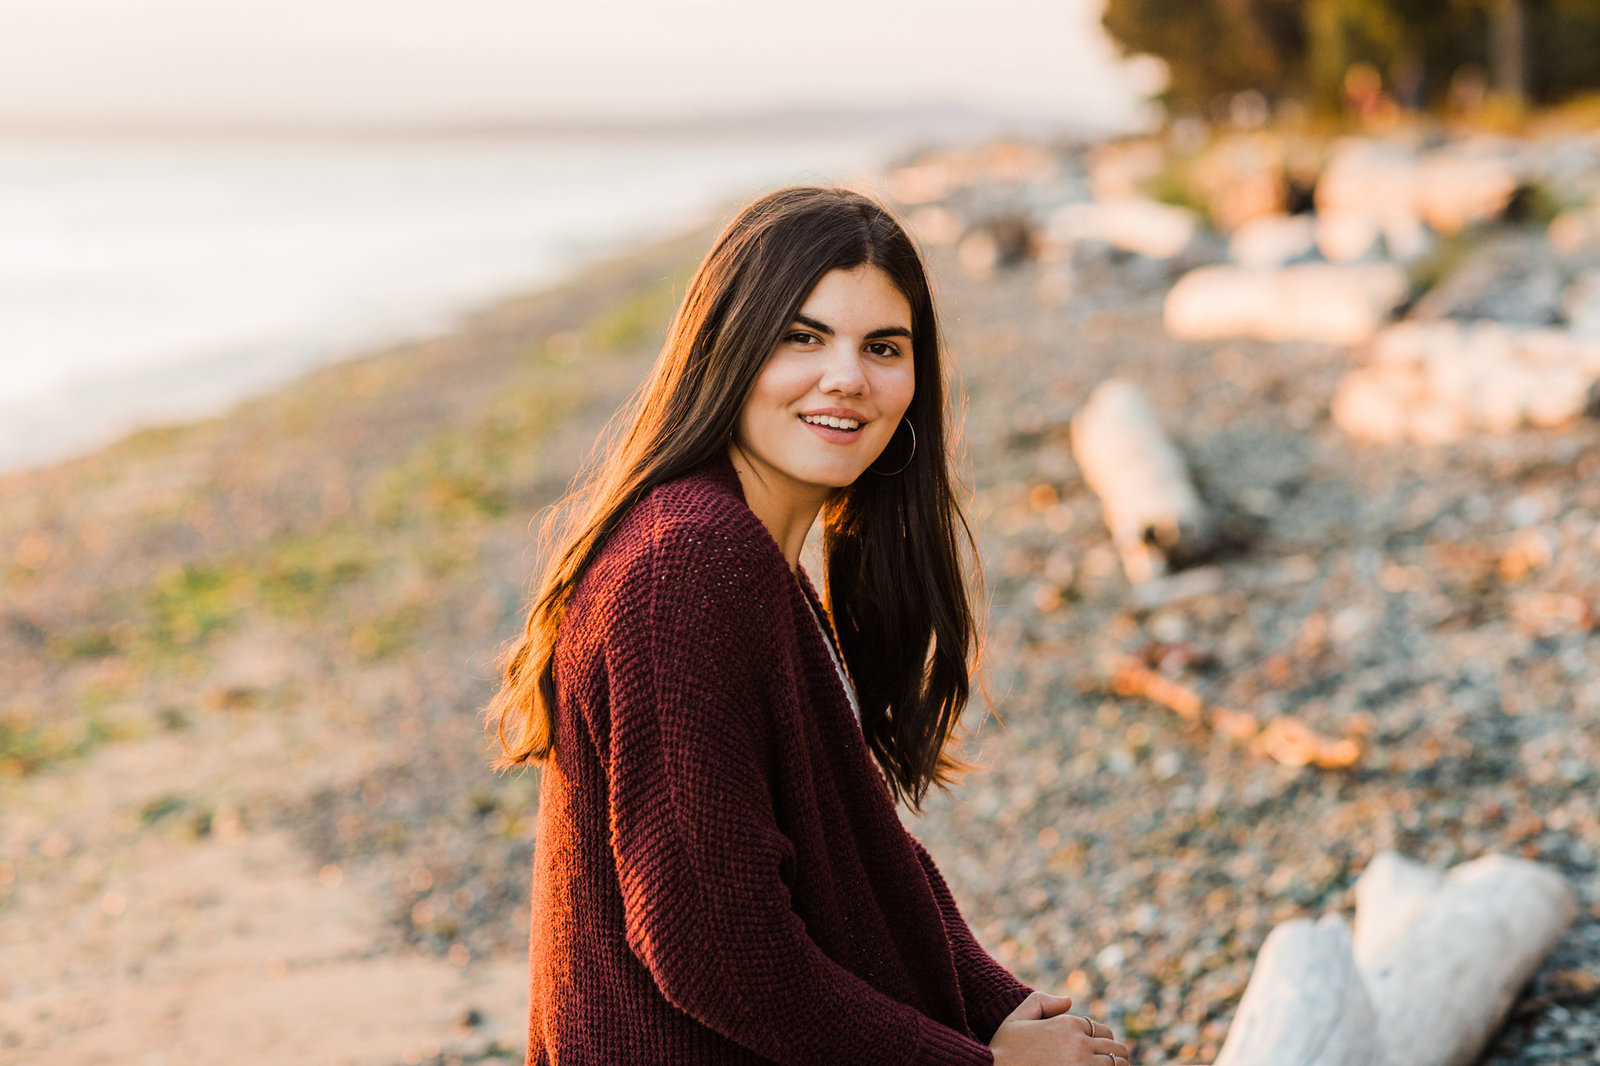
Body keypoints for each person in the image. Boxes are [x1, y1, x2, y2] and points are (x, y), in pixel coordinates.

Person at [486, 186, 1132, 1066]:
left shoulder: (750, 555)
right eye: (803, 336)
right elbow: (715, 949)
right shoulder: (688, 567)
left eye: (883, 347)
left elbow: (866, 855)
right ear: (728, 347)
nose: (847, 378)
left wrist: (1004, 1008)